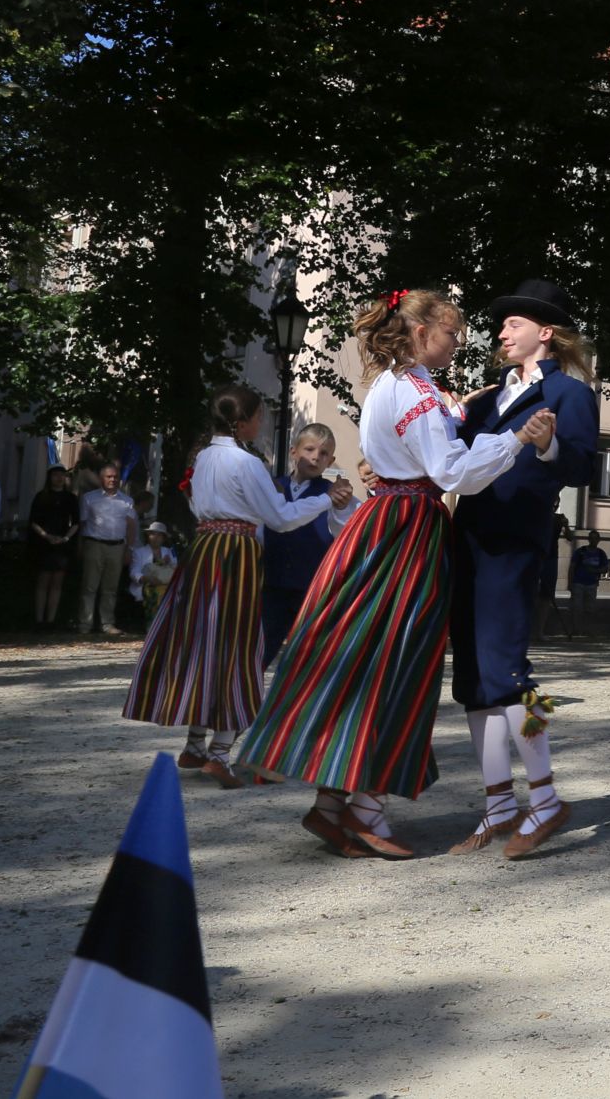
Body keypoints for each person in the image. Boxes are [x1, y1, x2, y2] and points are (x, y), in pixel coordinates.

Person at [236, 289, 553, 860]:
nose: (459, 342)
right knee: (396, 660)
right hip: (409, 528)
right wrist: (515, 438)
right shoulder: (415, 392)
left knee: (368, 655)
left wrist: (470, 407)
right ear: (420, 331)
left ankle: (334, 804)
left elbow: (434, 431)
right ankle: (365, 807)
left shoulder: (396, 384)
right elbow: (449, 469)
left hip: (386, 523)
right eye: (452, 332)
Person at [123, 385, 349, 787]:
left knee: (207, 643)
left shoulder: (203, 457)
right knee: (239, 648)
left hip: (206, 549)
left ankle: (196, 742)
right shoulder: (246, 464)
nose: (262, 424)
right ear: (242, 422)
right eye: (259, 417)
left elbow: (197, 505)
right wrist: (326, 499)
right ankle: (219, 752)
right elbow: (279, 517)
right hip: (236, 553)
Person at [448, 279, 600, 860]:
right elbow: (452, 455)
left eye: (513, 323)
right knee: (475, 679)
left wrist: (546, 446)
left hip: (516, 542)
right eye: (502, 323)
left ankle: (545, 796)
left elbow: (584, 466)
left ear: (547, 332)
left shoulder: (569, 393)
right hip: (470, 537)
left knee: (513, 674)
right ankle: (498, 804)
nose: (501, 331)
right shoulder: (488, 399)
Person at [261, 424, 356, 660]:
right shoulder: (271, 487)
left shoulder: (335, 493)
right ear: (294, 452)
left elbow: (346, 532)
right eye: (310, 449)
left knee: (309, 658)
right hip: (272, 587)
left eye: (323, 454)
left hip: (313, 589)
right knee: (259, 653)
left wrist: (342, 508)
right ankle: (247, 697)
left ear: (331, 460)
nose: (315, 457)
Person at [74, 463, 139, 635]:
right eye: (109, 476)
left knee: (110, 587)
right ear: (101, 478)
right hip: (94, 544)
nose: (112, 480)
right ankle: (84, 624)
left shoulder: (127, 501)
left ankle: (107, 623)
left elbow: (131, 527)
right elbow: (82, 523)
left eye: (115, 477)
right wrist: (80, 546)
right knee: (89, 586)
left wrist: (129, 549)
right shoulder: (89, 498)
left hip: (117, 546)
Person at [28, 467, 80, 631]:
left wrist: (65, 538)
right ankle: (39, 620)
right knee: (43, 581)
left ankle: (51, 621)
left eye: (62, 475)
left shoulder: (70, 498)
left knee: (57, 583)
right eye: (55, 475)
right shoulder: (41, 497)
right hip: (44, 544)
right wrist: (46, 536)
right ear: (49, 477)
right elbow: (33, 521)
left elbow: (76, 522)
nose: (58, 478)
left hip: (62, 544)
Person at [129, 522, 181, 618]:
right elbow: (134, 571)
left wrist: (168, 563)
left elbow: (176, 569)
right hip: (147, 585)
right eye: (152, 534)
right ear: (148, 536)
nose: (155, 537)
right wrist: (147, 578)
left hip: (166, 584)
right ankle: (153, 624)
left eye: (159, 535)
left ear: (164, 538)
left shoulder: (169, 551)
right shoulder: (138, 552)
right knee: (156, 594)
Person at [568, 530, 609, 631]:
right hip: (578, 582)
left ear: (599, 540)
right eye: (591, 538)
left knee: (590, 609)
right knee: (577, 608)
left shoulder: (601, 553)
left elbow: (605, 569)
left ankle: (586, 629)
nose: (593, 540)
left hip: (592, 583)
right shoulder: (581, 551)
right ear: (588, 539)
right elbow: (572, 567)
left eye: (595, 538)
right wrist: (570, 583)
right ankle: (576, 629)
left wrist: (595, 570)